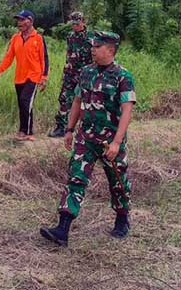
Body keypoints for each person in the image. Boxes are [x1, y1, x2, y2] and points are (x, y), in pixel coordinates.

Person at [40, 31, 135, 247]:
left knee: (118, 182)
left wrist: (117, 142)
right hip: (86, 138)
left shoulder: (123, 76)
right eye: (92, 46)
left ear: (110, 50)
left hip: (109, 140)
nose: (92, 49)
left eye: (97, 46)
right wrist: (69, 129)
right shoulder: (86, 72)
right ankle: (62, 229)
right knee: (76, 178)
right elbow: (77, 102)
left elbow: (127, 110)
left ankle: (122, 219)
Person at [0, 10, 49, 141]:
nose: (19, 23)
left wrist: (44, 77)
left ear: (30, 21)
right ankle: (23, 130)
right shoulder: (15, 38)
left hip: (34, 76)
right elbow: (9, 57)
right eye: (18, 20)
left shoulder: (38, 38)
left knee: (25, 101)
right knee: (23, 103)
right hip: (19, 76)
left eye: (22, 20)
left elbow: (44, 59)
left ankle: (27, 132)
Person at [49, 12, 92, 138]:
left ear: (83, 22)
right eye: (73, 24)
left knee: (88, 101)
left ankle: (87, 128)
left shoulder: (91, 38)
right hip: (70, 74)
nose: (75, 26)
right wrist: (65, 71)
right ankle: (61, 127)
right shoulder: (70, 36)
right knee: (64, 99)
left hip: (84, 75)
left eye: (77, 24)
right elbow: (69, 55)